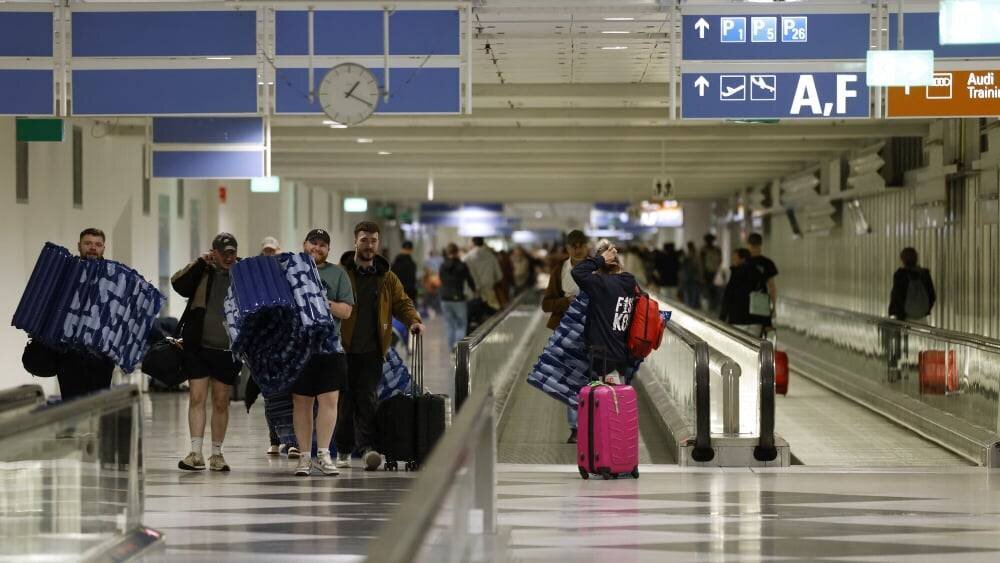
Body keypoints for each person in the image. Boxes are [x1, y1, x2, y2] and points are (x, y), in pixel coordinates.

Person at [337, 222, 425, 471]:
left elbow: (402, 303)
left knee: (367, 399)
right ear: (355, 241)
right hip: (342, 348)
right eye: (364, 239)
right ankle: (343, 450)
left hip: (372, 349)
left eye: (373, 240)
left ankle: (367, 449)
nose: (369, 245)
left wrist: (414, 321)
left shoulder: (386, 276)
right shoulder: (341, 272)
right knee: (344, 402)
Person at [172, 233, 243, 472]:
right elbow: (178, 284)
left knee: (221, 401)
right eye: (224, 254)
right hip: (198, 346)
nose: (229, 258)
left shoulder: (242, 272)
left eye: (232, 253)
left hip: (227, 348)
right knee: (197, 398)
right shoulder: (202, 270)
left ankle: (217, 454)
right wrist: (201, 262)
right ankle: (195, 452)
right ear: (214, 253)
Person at [292, 229, 355, 476]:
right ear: (304, 244)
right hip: (299, 348)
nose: (316, 249)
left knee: (329, 401)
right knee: (302, 402)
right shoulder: (291, 271)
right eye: (313, 244)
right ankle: (304, 456)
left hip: (330, 347)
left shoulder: (338, 274)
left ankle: (324, 453)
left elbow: (346, 312)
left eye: (322, 246)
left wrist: (322, 301)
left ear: (329, 250)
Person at [44, 228, 117, 401]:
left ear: (103, 249)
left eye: (98, 244)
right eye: (88, 243)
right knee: (71, 405)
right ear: (79, 246)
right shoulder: (66, 274)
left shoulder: (116, 278)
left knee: (99, 406)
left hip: (101, 356)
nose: (93, 248)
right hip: (69, 355)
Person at [541, 230, 591, 443]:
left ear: (586, 246)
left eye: (581, 244)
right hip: (566, 330)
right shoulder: (560, 270)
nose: (577, 248)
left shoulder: (598, 269)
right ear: (568, 248)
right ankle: (576, 427)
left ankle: (592, 424)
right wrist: (566, 302)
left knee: (593, 379)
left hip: (593, 330)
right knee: (572, 379)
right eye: (573, 245)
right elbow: (546, 304)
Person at [571, 239, 639, 382]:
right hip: (622, 353)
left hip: (604, 356)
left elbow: (577, 271)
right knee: (617, 396)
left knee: (608, 399)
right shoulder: (629, 281)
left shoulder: (599, 284)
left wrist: (600, 259)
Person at [886, 247, 937, 372]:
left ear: (902, 259)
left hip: (905, 316)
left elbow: (896, 296)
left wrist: (894, 313)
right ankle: (921, 366)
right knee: (922, 340)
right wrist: (924, 309)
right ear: (916, 258)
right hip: (921, 316)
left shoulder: (900, 275)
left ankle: (907, 365)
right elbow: (932, 295)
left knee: (906, 341)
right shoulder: (924, 273)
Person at [720, 248, 766, 336]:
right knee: (754, 348)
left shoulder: (736, 273)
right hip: (755, 321)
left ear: (743, 259)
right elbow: (764, 297)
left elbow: (728, 296)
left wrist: (722, 317)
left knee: (738, 347)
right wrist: (766, 322)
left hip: (738, 320)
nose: (733, 261)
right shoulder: (758, 273)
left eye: (735, 258)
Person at [439, 243, 476, 351]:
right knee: (461, 323)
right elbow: (469, 280)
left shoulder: (442, 265)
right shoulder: (461, 265)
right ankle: (458, 346)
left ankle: (451, 347)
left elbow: (441, 280)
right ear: (457, 252)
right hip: (458, 298)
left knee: (449, 324)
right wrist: (474, 290)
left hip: (445, 298)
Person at [464, 236, 503, 322]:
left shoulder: (467, 258)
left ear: (473, 243)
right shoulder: (491, 256)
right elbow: (499, 276)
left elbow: (465, 278)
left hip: (473, 294)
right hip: (489, 293)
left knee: (475, 319)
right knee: (491, 319)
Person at [747, 233, 778, 334]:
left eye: (755, 246)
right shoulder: (767, 263)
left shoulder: (743, 261)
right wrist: (773, 306)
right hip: (760, 301)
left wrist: (773, 306)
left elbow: (772, 287)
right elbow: (771, 286)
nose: (754, 248)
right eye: (753, 245)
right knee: (760, 334)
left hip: (750, 302)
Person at [700, 234, 723, 313]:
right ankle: (709, 308)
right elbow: (702, 262)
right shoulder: (704, 250)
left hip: (714, 272)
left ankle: (714, 308)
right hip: (707, 273)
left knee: (715, 291)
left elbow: (720, 260)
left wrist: (716, 269)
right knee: (708, 291)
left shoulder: (717, 250)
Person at [680, 241, 703, 309]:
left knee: (692, 295)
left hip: (692, 279)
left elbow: (698, 267)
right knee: (691, 295)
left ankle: (691, 308)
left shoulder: (692, 255)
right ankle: (691, 308)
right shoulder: (693, 255)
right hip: (690, 279)